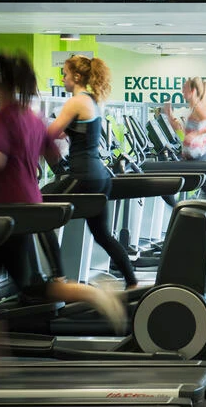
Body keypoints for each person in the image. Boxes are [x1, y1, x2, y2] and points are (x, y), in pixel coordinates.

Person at [0, 51, 125, 365]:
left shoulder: (4, 117)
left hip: (7, 210)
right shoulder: (31, 116)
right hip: (26, 205)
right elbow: (54, 154)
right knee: (2, 280)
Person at [46, 55, 138, 289]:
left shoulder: (76, 101)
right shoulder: (92, 100)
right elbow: (72, 134)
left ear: (76, 76)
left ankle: (57, 279)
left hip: (83, 175)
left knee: (39, 212)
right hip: (99, 176)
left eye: (65, 74)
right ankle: (132, 282)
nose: (63, 78)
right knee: (102, 235)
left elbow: (48, 135)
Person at [165, 78, 206, 205]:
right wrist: (169, 116)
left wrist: (198, 135)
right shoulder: (193, 108)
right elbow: (183, 130)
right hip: (194, 159)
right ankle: (179, 209)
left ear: (192, 91)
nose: (182, 91)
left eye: (184, 88)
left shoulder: (198, 107)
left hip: (200, 159)